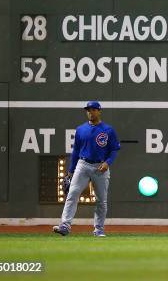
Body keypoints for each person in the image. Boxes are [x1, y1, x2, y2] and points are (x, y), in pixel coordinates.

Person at [53, 101, 120, 237]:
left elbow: (114, 149)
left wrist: (108, 162)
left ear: (99, 111)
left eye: (93, 110)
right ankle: (65, 226)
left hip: (100, 167)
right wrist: (71, 171)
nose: (90, 112)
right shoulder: (80, 129)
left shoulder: (108, 130)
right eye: (88, 110)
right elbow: (76, 151)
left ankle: (99, 229)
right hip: (83, 165)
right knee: (72, 194)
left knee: (101, 200)